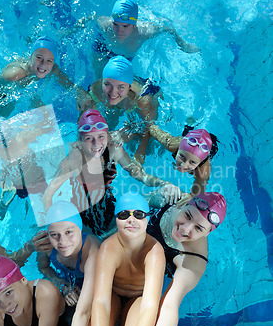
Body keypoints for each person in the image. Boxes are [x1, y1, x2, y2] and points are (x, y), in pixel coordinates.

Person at [137, 191, 227, 326]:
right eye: (187, 216)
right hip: (141, 241)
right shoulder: (167, 199)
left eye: (198, 228)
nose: (185, 230)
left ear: (208, 233)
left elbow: (170, 304)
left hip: (164, 263)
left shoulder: (195, 258)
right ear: (183, 205)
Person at [43, 109, 174, 238]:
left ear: (107, 136)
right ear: (81, 141)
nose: (96, 144)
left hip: (108, 205)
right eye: (89, 138)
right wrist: (52, 224)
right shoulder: (73, 160)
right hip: (82, 212)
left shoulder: (114, 149)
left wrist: (165, 183)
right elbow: (47, 194)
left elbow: (139, 175)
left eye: (101, 136)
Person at [89, 192, 166, 326]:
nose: (131, 219)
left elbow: (150, 305)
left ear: (147, 219)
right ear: (116, 219)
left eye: (139, 214)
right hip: (114, 296)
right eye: (124, 214)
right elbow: (101, 302)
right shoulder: (109, 248)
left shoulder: (155, 251)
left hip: (137, 298)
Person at [38, 201, 99, 326]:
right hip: (70, 288)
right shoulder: (47, 247)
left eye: (69, 232)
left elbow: (87, 306)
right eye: (54, 234)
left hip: (97, 289)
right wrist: (62, 286)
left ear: (79, 229)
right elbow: (44, 269)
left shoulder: (92, 248)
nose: (62, 241)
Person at [91, 0, 200, 78]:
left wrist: (182, 44)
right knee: (100, 81)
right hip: (103, 50)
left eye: (125, 26)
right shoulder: (105, 24)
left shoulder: (145, 31)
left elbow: (167, 27)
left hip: (126, 57)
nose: (119, 30)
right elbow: (90, 18)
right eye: (115, 24)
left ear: (134, 25)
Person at [78, 56, 160, 163]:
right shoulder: (97, 90)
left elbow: (150, 127)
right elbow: (82, 123)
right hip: (121, 98)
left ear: (129, 87)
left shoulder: (143, 101)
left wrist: (140, 154)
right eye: (107, 84)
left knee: (149, 148)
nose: (113, 93)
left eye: (120, 87)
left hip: (146, 94)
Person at [149, 126, 218, 204]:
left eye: (192, 162)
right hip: (184, 142)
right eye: (181, 156)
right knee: (187, 129)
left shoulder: (203, 172)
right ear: (178, 150)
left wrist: (190, 197)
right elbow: (151, 129)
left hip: (208, 150)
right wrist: (140, 154)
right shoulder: (172, 144)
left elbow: (196, 196)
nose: (183, 165)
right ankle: (190, 124)